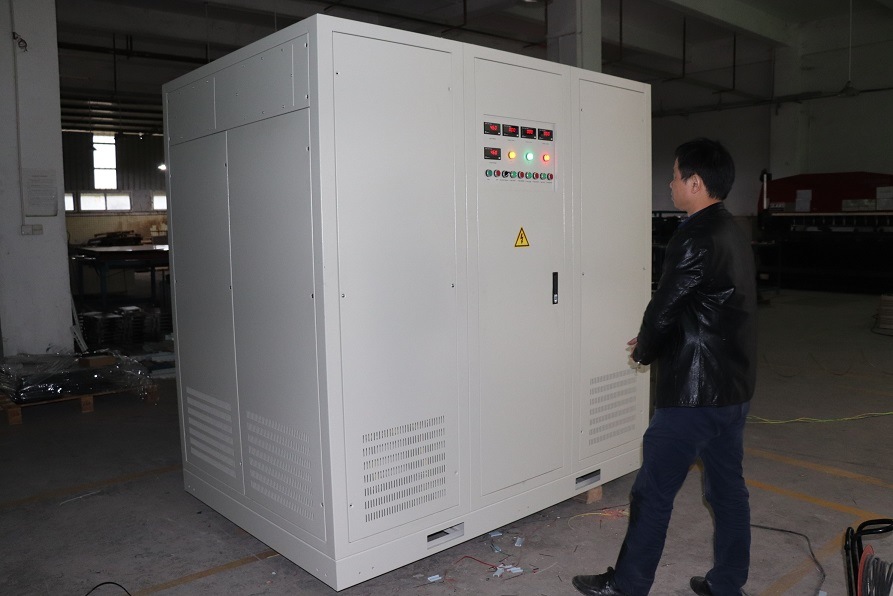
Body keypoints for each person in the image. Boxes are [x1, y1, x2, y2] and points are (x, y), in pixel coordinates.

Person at [573, 138, 757, 596]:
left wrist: (646, 348)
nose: (670, 184)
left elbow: (666, 305)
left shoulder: (693, 235)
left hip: (694, 395)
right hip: (733, 390)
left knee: (652, 493)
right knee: (727, 491)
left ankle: (628, 586)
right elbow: (712, 307)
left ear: (695, 183)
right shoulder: (734, 231)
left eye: (675, 176)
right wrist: (659, 335)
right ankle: (727, 583)